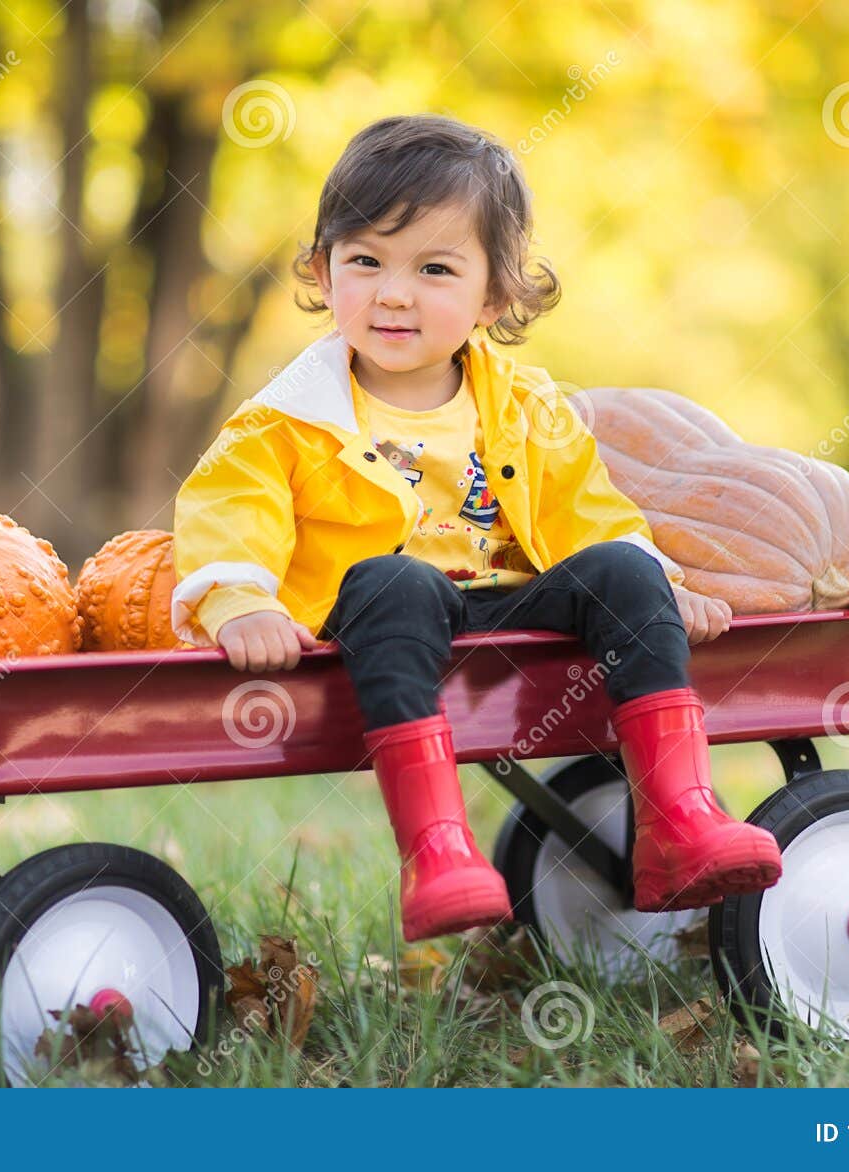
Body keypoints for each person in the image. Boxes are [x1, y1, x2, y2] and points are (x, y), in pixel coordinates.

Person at [170, 114, 781, 942]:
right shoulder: (286, 422)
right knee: (392, 577)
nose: (393, 292)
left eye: (433, 268)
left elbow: (585, 512)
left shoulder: (525, 408)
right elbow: (231, 509)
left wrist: (665, 589)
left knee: (624, 570)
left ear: (493, 294)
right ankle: (439, 849)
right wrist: (239, 599)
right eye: (364, 261)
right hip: (384, 619)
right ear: (322, 270)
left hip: (509, 608)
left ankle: (677, 820)